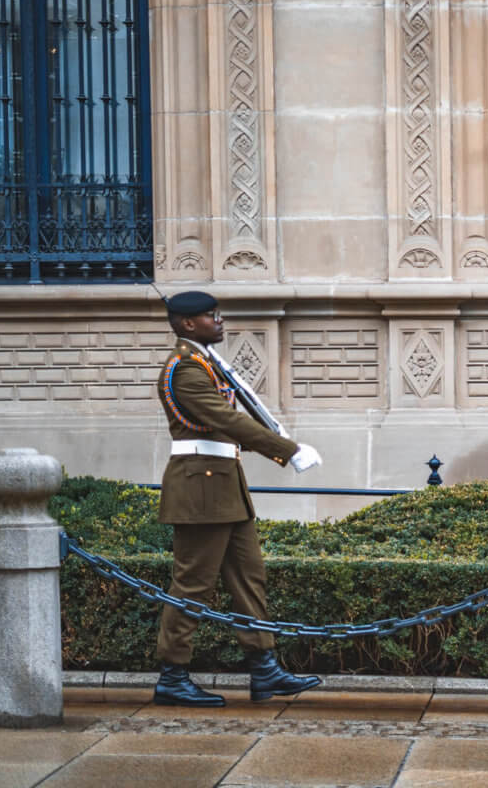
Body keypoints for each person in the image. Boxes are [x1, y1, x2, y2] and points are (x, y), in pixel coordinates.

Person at [152, 290, 324, 707]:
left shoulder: (207, 364)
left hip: (224, 485)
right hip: (200, 489)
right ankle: (172, 676)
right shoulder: (186, 370)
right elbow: (227, 419)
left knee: (249, 578)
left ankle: (264, 669)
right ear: (188, 324)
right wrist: (286, 448)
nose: (220, 321)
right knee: (192, 585)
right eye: (212, 316)